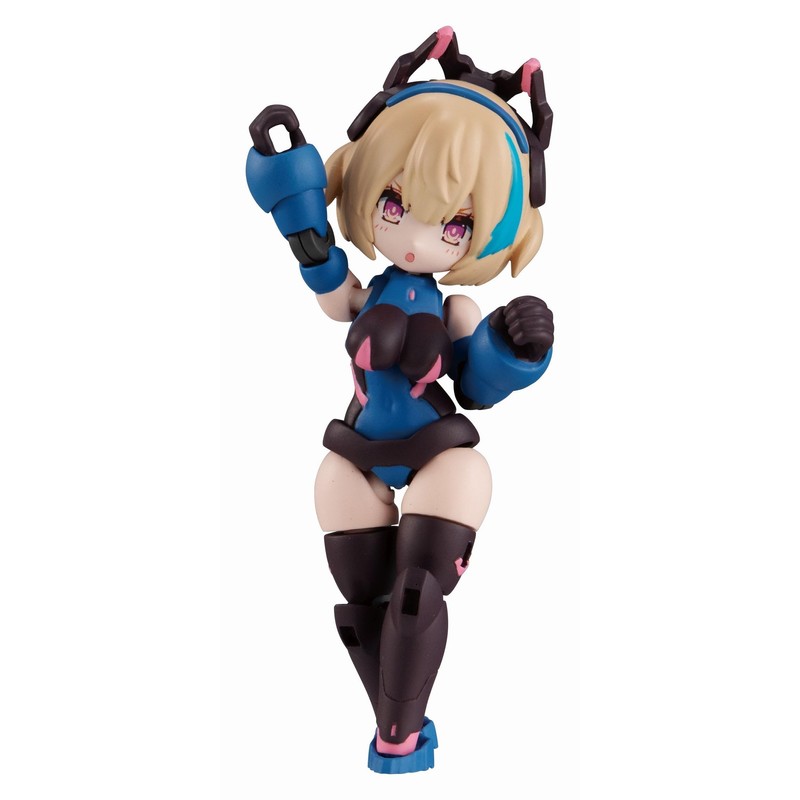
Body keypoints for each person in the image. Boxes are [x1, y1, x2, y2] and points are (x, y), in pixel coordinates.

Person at [246, 26, 555, 773]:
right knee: (365, 600)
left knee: (418, 590)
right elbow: (329, 282)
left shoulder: (454, 309)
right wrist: (299, 216)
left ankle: (396, 736)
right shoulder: (368, 294)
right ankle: (402, 728)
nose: (417, 236)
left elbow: (476, 383)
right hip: (354, 450)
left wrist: (516, 350)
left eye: (454, 224)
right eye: (393, 202)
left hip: (438, 453)